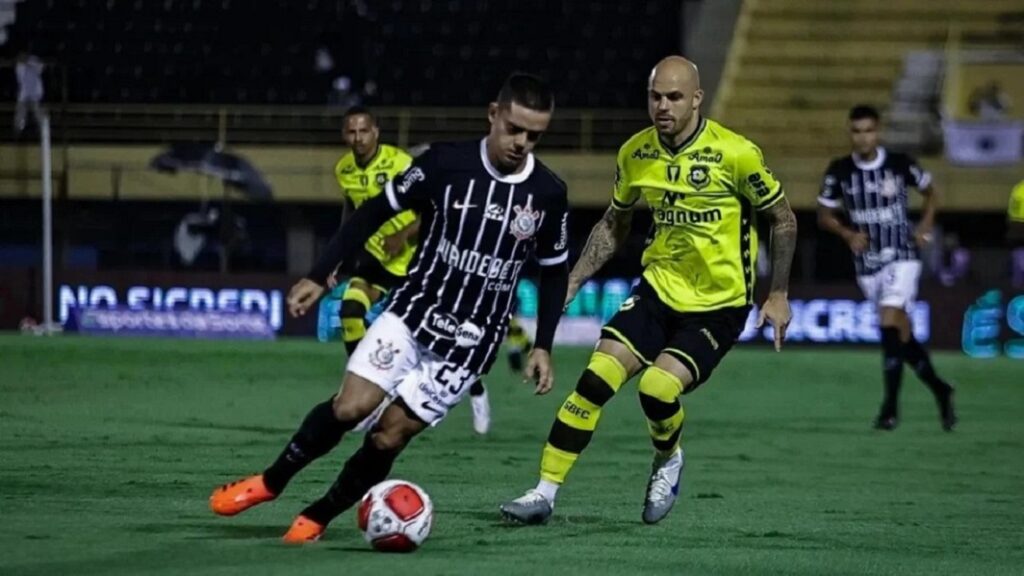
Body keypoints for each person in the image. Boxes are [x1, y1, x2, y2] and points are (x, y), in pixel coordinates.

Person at [210, 73, 570, 542]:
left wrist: (543, 344)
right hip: (411, 314)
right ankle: (269, 483)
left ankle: (317, 516)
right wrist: (321, 273)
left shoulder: (548, 193)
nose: (522, 142)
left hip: (466, 347)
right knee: (349, 407)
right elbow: (373, 211)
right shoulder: (445, 163)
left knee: (388, 435)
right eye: (515, 129)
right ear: (493, 114)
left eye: (534, 135)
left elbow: (555, 269)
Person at [501, 56, 797, 525]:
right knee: (594, 380)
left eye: (675, 97)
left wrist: (777, 292)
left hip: (719, 306)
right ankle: (543, 493)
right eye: (656, 96)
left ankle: (669, 457)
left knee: (657, 390)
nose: (663, 106)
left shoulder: (736, 153)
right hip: (657, 290)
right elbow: (614, 224)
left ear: (697, 99)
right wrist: (573, 280)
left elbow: (783, 218)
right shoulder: (635, 153)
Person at [330, 106, 492, 433]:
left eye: (364, 131)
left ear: (376, 132)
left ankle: (476, 389)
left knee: (445, 338)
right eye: (352, 132)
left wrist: (402, 235)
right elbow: (350, 211)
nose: (358, 138)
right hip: (377, 261)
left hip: (418, 261)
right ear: (344, 135)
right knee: (349, 311)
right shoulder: (343, 169)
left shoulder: (401, 164)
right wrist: (338, 256)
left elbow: (433, 209)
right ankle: (363, 395)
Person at [817, 105, 957, 431]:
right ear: (850, 133)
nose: (863, 137)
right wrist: (847, 232)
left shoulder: (899, 164)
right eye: (856, 131)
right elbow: (824, 215)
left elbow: (932, 192)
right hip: (867, 265)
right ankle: (940, 389)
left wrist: (925, 224)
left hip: (903, 254)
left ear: (877, 131)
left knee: (889, 317)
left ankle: (889, 408)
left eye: (868, 130)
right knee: (900, 334)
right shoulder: (839, 171)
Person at [13, 52, 45, 135]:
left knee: (37, 112)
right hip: (24, 94)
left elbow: (40, 67)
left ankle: (43, 128)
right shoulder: (19, 67)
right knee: (20, 112)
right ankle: (18, 130)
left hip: (35, 94)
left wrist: (30, 63)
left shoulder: (34, 60)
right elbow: (20, 74)